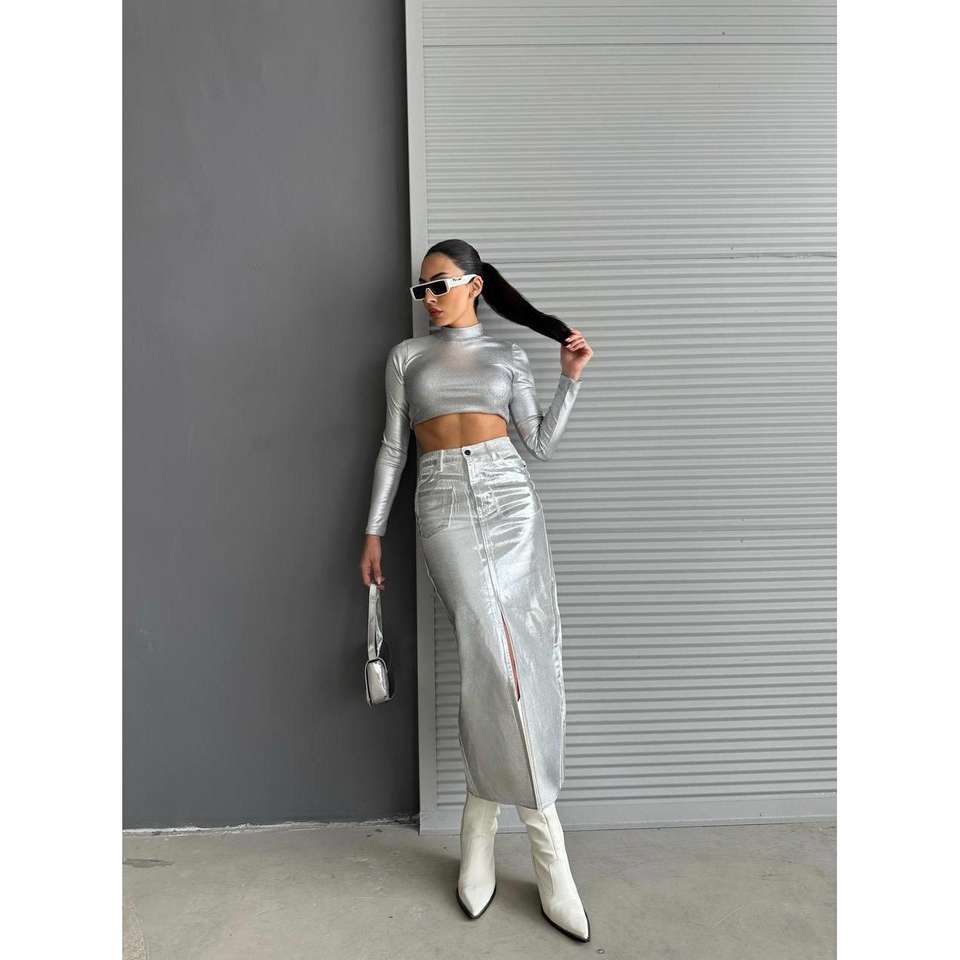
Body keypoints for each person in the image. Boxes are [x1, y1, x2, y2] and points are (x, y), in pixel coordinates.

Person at [359, 238, 594, 942]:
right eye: (421, 290)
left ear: (474, 285)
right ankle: (543, 840)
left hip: (510, 500)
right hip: (442, 505)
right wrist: (373, 531)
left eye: (438, 285)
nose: (428, 299)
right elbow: (394, 447)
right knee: (488, 653)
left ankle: (485, 829)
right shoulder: (407, 357)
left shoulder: (509, 356)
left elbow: (538, 444)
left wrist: (570, 379)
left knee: (521, 659)